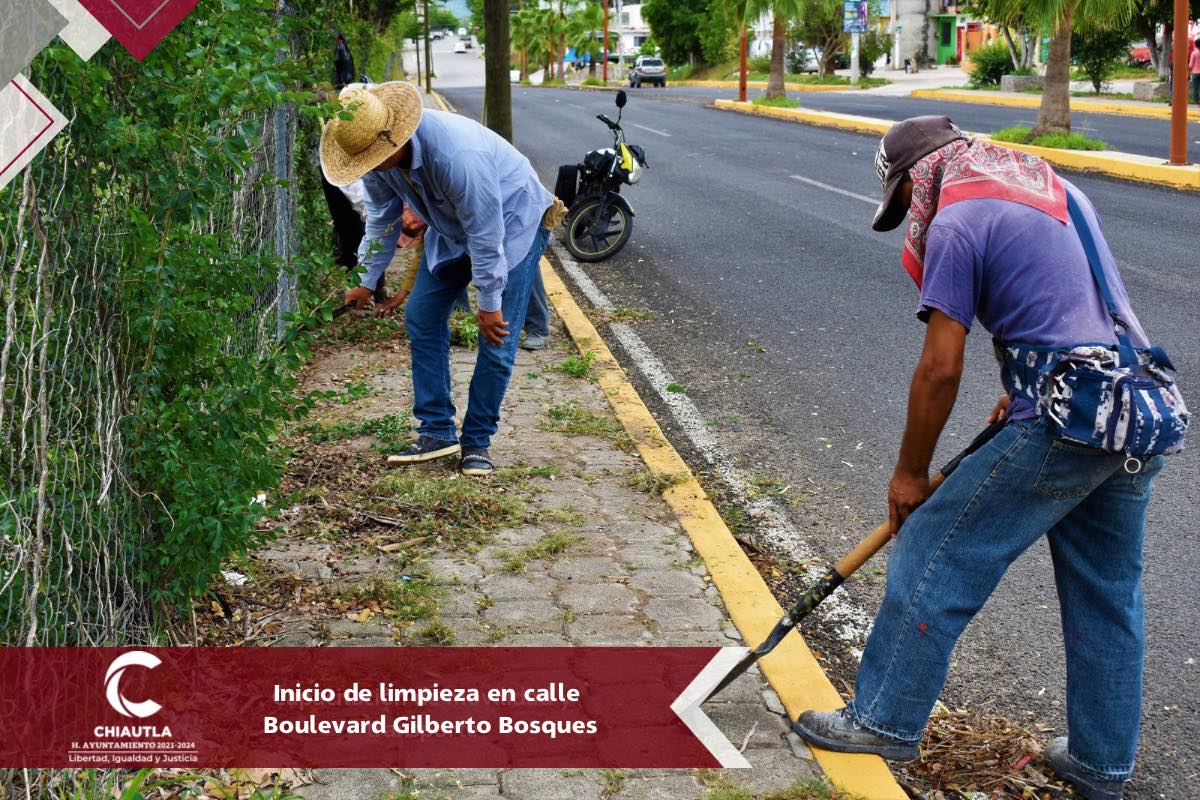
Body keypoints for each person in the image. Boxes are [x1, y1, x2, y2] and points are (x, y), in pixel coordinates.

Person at [791, 116, 1176, 800]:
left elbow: (940, 368)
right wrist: (1018, 385)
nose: (913, 216)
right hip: (1134, 404)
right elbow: (1066, 302)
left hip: (1068, 419)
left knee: (933, 552)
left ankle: (882, 719)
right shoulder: (1052, 188)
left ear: (918, 178)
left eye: (906, 202)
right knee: (1107, 595)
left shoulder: (957, 219)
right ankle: (1101, 761)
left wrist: (911, 475)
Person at [320, 82, 560, 477]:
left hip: (512, 224)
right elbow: (383, 218)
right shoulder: (378, 160)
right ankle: (436, 430)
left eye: (375, 158)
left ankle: (477, 442)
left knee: (497, 336)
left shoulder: (456, 156)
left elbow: (486, 234)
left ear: (393, 136)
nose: (372, 167)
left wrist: (487, 303)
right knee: (421, 315)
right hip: (452, 230)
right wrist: (365, 278)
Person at [1190, 37, 1200, 105]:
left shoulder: (1194, 53)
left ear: (1196, 45)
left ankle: (1196, 102)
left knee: (1195, 88)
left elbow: (1190, 65)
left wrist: (1189, 70)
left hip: (1195, 72)